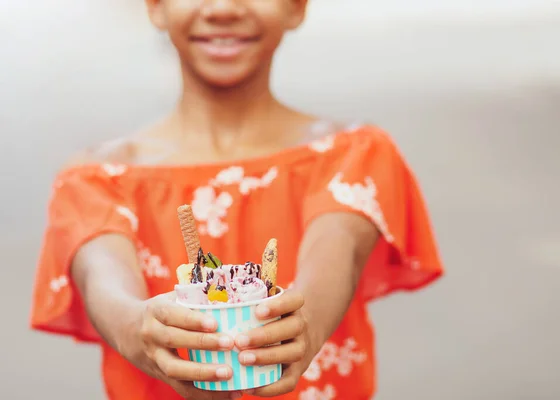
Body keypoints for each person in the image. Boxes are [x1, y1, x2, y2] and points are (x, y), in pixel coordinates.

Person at [30, 1, 444, 399]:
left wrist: (305, 326)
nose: (223, 8)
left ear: (296, 5)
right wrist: (133, 325)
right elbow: (105, 281)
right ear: (156, 5)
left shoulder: (355, 156)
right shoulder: (94, 179)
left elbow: (334, 257)